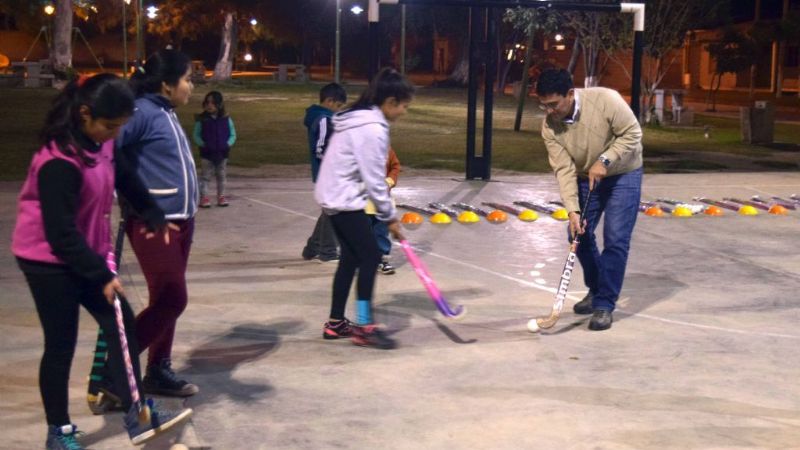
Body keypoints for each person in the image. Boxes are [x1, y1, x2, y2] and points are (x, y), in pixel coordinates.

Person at [11, 73, 192, 449]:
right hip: (48, 261)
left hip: (86, 252)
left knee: (121, 324)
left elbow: (123, 174)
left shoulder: (100, 141)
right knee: (61, 344)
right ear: (84, 115)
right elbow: (60, 234)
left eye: (120, 127)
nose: (114, 134)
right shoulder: (58, 161)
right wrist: (100, 274)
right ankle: (58, 433)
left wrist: (151, 210)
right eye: (109, 126)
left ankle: (136, 414)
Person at [106, 49, 200, 397]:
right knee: (173, 298)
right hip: (154, 223)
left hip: (180, 223)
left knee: (165, 299)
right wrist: (141, 205)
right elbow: (109, 154)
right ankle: (113, 370)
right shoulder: (142, 111)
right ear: (166, 84)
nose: (191, 87)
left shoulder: (165, 112)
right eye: (188, 79)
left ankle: (158, 369)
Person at [536, 68, 643, 331]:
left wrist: (605, 160)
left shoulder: (606, 100)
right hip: (586, 176)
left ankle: (605, 304)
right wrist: (572, 211)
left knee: (616, 237)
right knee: (577, 235)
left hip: (623, 173)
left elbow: (633, 133)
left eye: (554, 104)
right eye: (544, 105)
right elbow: (563, 169)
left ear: (570, 94)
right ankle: (596, 289)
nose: (550, 111)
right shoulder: (550, 127)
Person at [314, 68, 413, 349]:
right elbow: (375, 180)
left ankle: (335, 323)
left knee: (351, 258)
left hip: (334, 196)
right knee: (370, 256)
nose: (404, 112)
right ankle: (364, 327)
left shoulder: (357, 119)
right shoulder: (372, 129)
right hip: (343, 199)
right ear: (390, 102)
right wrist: (390, 219)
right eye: (404, 105)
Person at [301, 82, 346, 263]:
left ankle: (312, 248)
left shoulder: (321, 118)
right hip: (328, 174)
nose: (338, 110)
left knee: (329, 211)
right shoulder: (323, 120)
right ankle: (327, 251)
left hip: (328, 173)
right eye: (338, 106)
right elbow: (321, 149)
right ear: (329, 101)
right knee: (333, 213)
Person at [193, 90, 236, 208]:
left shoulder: (226, 119)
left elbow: (232, 134)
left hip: (222, 153)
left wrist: (228, 144)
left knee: (221, 175)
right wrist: (202, 143)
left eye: (212, 103)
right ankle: (204, 197)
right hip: (207, 154)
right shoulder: (202, 119)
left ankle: (221, 196)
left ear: (219, 104)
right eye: (207, 103)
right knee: (206, 176)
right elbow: (196, 134)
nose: (209, 105)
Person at [365, 146, 401, 275]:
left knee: (381, 232)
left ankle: (382, 260)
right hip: (361, 202)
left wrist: (389, 181)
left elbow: (395, 166)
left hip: (382, 202)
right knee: (364, 233)